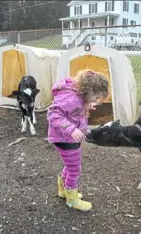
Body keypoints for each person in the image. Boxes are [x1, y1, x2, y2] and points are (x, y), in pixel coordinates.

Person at [47, 69, 109, 211]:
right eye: (97, 97)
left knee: (70, 165)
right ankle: (72, 199)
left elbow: (72, 111)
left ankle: (63, 190)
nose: (97, 101)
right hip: (65, 137)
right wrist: (71, 129)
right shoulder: (72, 98)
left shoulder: (79, 97)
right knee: (75, 169)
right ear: (89, 90)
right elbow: (53, 114)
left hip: (67, 137)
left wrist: (86, 105)